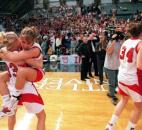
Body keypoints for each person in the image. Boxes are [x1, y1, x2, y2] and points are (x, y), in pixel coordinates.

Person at [0, 31, 46, 130]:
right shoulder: (22, 53)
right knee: (42, 116)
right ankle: (10, 102)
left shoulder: (4, 53)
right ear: (18, 39)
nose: (23, 44)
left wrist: (3, 49)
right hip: (25, 87)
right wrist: (37, 61)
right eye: (21, 41)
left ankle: (7, 103)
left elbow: (10, 56)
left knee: (11, 114)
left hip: (12, 86)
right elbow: (39, 65)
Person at [105, 22, 142, 130]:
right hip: (133, 78)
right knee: (138, 106)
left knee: (123, 100)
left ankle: (110, 125)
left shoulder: (125, 42)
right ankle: (130, 128)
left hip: (122, 75)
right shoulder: (140, 44)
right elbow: (139, 65)